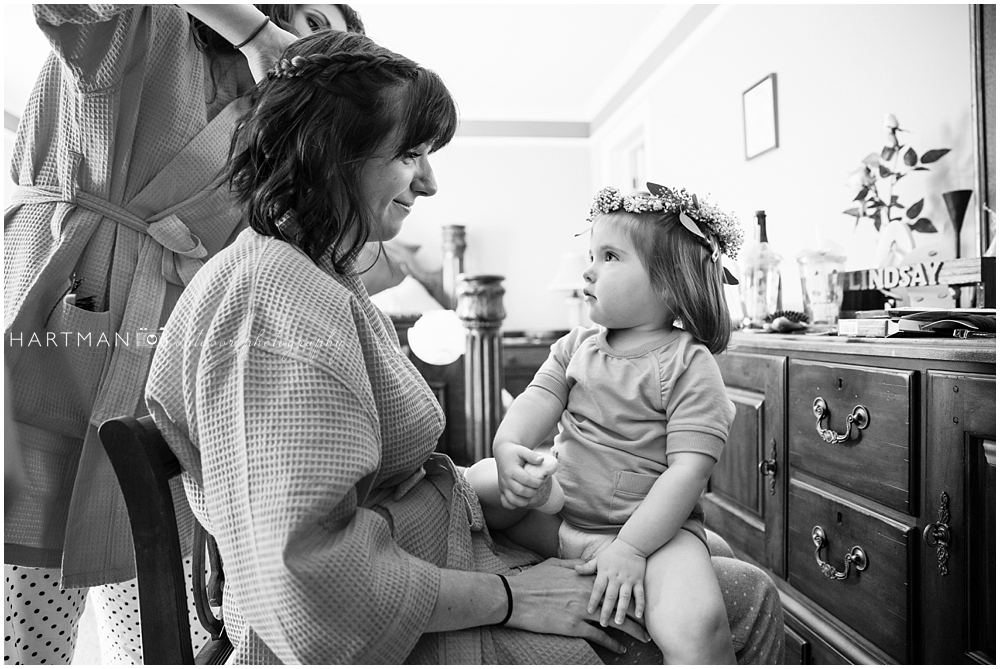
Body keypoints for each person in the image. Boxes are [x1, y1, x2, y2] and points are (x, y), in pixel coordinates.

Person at [145, 30, 783, 664]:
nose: (428, 182)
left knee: (708, 557)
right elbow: (310, 588)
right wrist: (508, 596)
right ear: (332, 152)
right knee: (746, 593)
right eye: (410, 152)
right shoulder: (275, 309)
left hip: (439, 544)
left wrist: (491, 485)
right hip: (408, 604)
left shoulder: (312, 273)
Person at [3, 4, 361, 664]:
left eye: (333, 39)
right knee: (25, 633)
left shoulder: (275, 140)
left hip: (165, 400)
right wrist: (256, 36)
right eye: (307, 18)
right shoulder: (144, 31)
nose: (311, 42)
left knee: (160, 637)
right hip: (51, 361)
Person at [466, 183, 749, 664]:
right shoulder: (576, 346)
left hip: (652, 529)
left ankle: (618, 558)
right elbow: (535, 402)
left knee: (697, 625)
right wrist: (511, 446)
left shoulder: (687, 364)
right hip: (558, 513)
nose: (590, 268)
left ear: (668, 283)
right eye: (592, 254)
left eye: (611, 256)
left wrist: (632, 549)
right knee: (479, 478)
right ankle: (543, 506)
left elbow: (688, 472)